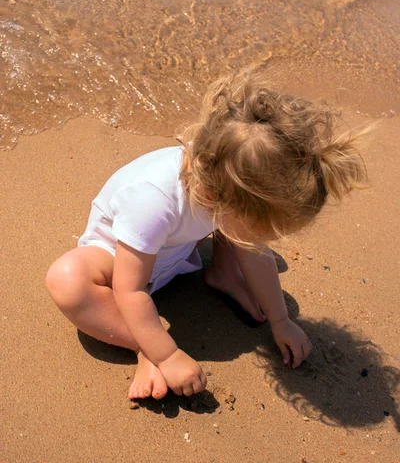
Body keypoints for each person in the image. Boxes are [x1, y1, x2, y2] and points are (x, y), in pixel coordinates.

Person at [46, 69, 368, 401]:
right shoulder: (152, 199)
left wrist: (281, 319)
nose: (262, 241)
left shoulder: (222, 174)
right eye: (262, 231)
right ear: (215, 198)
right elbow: (130, 291)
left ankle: (222, 272)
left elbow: (254, 250)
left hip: (176, 247)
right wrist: (165, 355)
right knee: (67, 280)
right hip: (121, 265)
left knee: (243, 231)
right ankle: (140, 345)